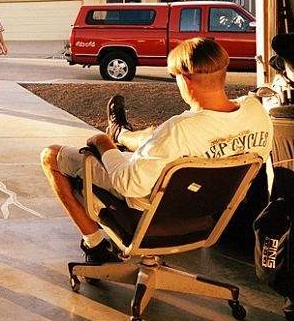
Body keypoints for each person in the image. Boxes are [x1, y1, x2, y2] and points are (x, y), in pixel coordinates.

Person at [41, 37, 273, 262]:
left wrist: (103, 144)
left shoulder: (180, 129)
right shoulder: (256, 111)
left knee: (51, 155)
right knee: (154, 141)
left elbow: (129, 184)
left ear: (186, 81)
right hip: (207, 212)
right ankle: (122, 132)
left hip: (153, 210)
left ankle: (95, 243)